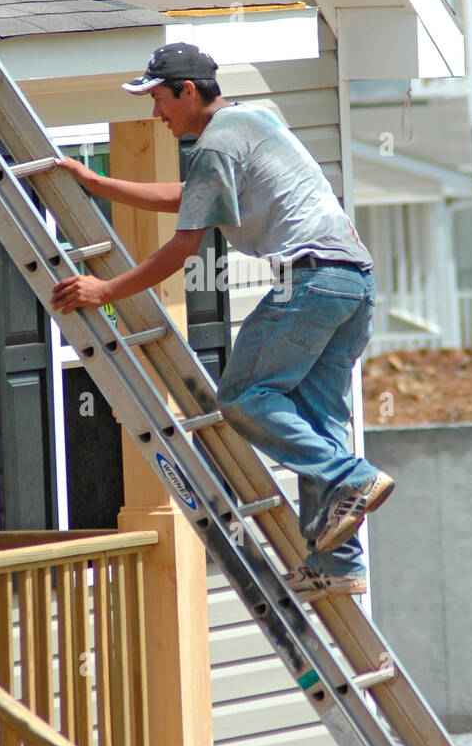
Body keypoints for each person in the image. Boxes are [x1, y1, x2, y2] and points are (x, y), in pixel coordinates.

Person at [50, 42, 394, 599]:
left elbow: (186, 245)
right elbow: (189, 198)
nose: (155, 114)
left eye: (159, 99)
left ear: (188, 92)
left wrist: (107, 288)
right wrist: (99, 184)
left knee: (244, 398)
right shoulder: (253, 121)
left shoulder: (213, 148)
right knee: (319, 418)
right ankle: (339, 562)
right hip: (353, 281)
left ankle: (350, 478)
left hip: (309, 281)